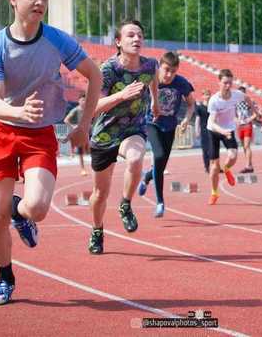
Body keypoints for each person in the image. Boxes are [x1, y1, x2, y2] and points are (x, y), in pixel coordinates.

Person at [0, 0, 102, 306]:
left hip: (39, 135)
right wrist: (18, 112)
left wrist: (83, 126)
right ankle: (5, 279)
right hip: (2, 131)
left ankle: (21, 214)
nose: (39, 3)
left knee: (37, 207)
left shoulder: (57, 40)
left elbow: (94, 76)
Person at [87, 19, 159, 254]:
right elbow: (93, 107)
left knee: (136, 159)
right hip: (106, 132)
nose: (136, 39)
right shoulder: (108, 70)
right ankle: (97, 230)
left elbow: (153, 81)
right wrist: (122, 95)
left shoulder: (150, 65)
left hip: (133, 128)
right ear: (118, 42)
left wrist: (156, 103)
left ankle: (125, 204)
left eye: (139, 35)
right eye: (130, 35)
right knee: (100, 193)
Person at [138, 52, 195, 217]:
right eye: (166, 70)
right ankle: (160, 202)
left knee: (161, 166)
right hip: (152, 123)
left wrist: (186, 119)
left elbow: (191, 103)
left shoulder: (181, 83)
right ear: (160, 67)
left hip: (170, 127)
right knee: (159, 155)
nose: (169, 75)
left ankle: (146, 177)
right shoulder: (150, 79)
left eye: (173, 71)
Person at [206, 69, 253, 205]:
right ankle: (214, 193)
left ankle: (226, 169)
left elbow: (247, 98)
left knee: (233, 156)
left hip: (229, 129)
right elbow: (212, 122)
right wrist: (222, 131)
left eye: (230, 83)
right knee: (214, 167)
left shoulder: (237, 94)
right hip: (214, 130)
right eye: (225, 83)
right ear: (219, 82)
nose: (228, 86)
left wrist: (255, 110)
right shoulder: (214, 100)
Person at [235, 86, 260, 173]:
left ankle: (248, 165)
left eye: (242, 93)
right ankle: (249, 165)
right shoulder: (235, 102)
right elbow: (233, 114)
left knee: (246, 146)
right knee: (244, 147)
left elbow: (257, 113)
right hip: (240, 126)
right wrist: (236, 120)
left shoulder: (249, 102)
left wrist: (249, 119)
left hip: (247, 125)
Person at [64, 93, 88, 175]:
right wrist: (73, 127)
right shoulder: (75, 110)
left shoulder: (88, 110)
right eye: (82, 100)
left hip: (84, 130)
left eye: (85, 100)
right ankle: (83, 169)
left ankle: (73, 152)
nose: (84, 102)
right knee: (80, 149)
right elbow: (66, 120)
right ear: (79, 101)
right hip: (76, 131)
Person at [195, 90, 211, 173]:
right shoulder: (199, 107)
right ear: (203, 96)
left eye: (209, 95)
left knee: (213, 149)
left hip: (212, 130)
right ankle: (207, 166)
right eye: (206, 95)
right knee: (205, 150)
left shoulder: (212, 106)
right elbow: (197, 120)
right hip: (204, 130)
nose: (207, 96)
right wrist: (197, 131)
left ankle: (215, 166)